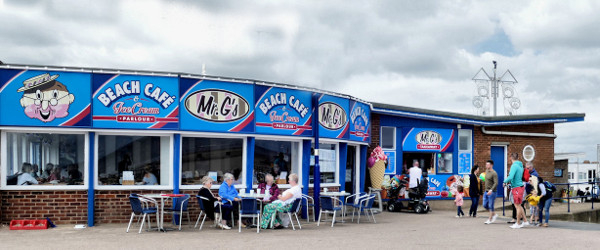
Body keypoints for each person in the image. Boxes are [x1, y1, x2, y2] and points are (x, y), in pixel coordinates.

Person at [504, 152, 526, 229]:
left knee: (517, 206)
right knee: (519, 205)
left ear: (511, 158)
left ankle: (518, 223)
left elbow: (511, 177)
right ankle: (525, 221)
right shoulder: (520, 166)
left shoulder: (514, 166)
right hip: (520, 186)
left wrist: (505, 181)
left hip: (516, 187)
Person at [483, 160, 498, 224]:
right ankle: (494, 214)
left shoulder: (494, 173)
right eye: (486, 164)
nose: (486, 166)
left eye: (487, 165)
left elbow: (496, 183)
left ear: (491, 165)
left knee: (490, 205)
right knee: (484, 205)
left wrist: (491, 190)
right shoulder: (486, 171)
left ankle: (489, 219)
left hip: (492, 192)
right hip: (486, 191)